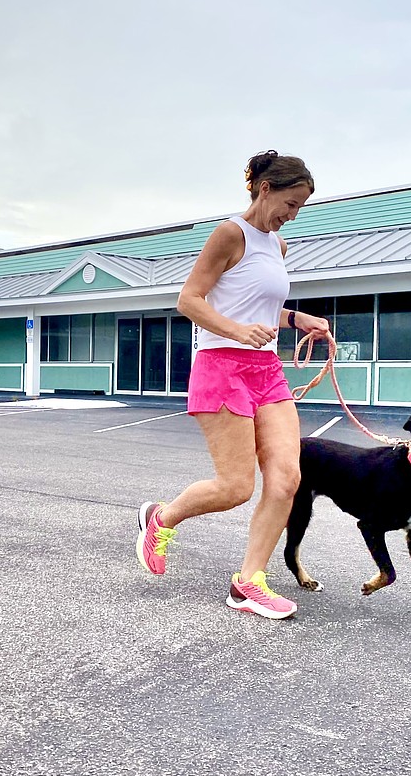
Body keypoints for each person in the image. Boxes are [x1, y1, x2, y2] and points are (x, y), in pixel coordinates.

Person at [136, 150, 330, 620]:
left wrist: (296, 318)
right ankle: (161, 518)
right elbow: (189, 299)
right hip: (221, 366)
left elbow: (257, 306)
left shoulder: (277, 246)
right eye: (291, 203)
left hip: (266, 370)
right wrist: (236, 331)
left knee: (287, 478)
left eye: (300, 207)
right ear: (265, 190)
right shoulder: (230, 234)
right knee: (236, 486)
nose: (292, 215)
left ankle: (249, 583)